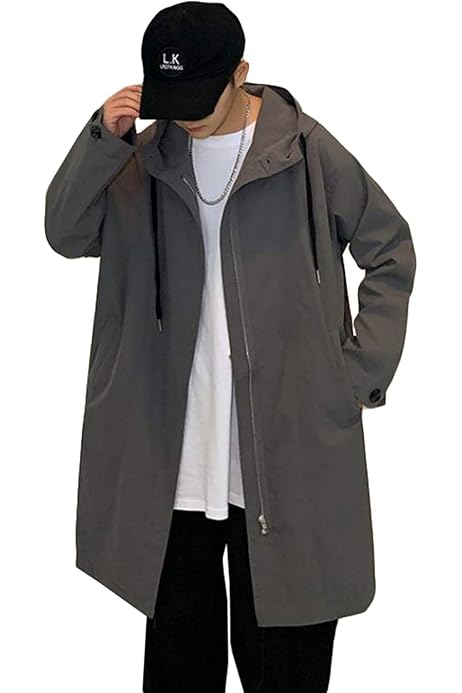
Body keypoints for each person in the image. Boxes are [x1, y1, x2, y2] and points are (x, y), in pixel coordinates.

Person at [44, 2, 416, 692]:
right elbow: (66, 233)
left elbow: (389, 248)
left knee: (286, 665)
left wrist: (356, 372)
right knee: (179, 671)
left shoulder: (303, 151)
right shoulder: (143, 157)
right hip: (175, 457)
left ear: (240, 74)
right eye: (170, 97)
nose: (182, 117)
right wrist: (101, 138)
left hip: (280, 448)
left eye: (197, 98)